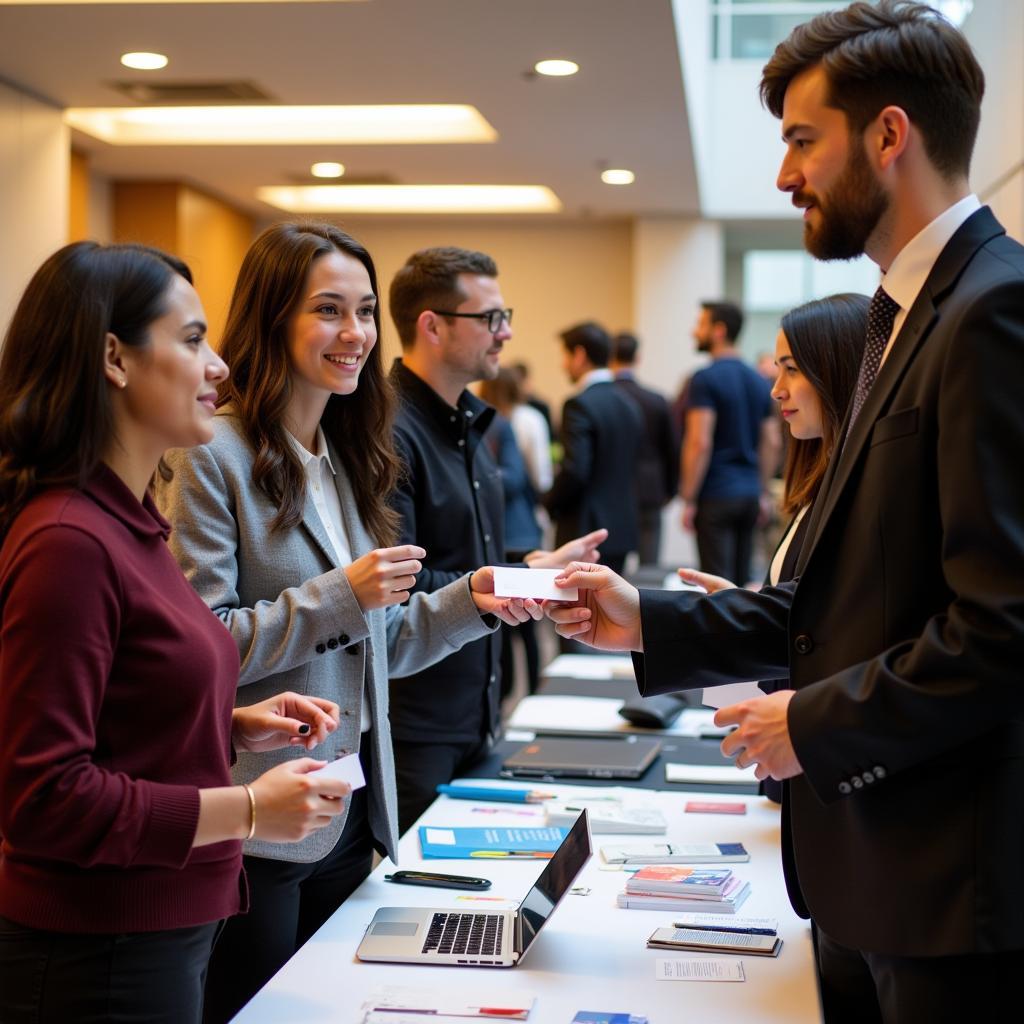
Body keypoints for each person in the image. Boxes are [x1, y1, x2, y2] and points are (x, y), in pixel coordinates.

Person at [548, 3, 1024, 1020]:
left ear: (888, 135)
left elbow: (1002, 628)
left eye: (802, 141)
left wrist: (811, 719)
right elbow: (848, 597)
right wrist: (648, 617)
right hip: (876, 871)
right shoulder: (901, 320)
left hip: (949, 886)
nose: (783, 174)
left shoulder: (992, 313)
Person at [157, 225, 539, 1023]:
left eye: (364, 311)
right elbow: (204, 648)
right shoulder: (213, 456)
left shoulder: (345, 457)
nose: (356, 334)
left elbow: (380, 647)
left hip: (350, 814)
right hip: (256, 825)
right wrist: (340, 596)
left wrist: (477, 598)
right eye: (329, 310)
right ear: (272, 319)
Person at [0, 241, 352, 1024]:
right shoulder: (71, 541)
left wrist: (222, 721)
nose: (220, 366)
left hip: (153, 928)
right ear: (115, 360)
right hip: (100, 952)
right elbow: (46, 797)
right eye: (193, 341)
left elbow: (112, 710)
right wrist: (249, 809)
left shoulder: (128, 522)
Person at [386, 247, 606, 833]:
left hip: (475, 708)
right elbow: (395, 585)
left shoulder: (472, 424)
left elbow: (465, 562)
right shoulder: (389, 432)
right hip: (416, 718)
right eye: (489, 318)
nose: (505, 332)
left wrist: (533, 566)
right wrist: (518, 579)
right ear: (431, 325)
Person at [679, 292, 869, 801]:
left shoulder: (860, 495)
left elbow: (830, 631)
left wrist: (690, 496)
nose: (776, 389)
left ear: (839, 370)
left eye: (792, 370)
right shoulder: (819, 484)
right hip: (794, 764)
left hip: (815, 766)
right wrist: (745, 607)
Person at [681, 300, 781, 584]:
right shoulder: (759, 380)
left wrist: (688, 498)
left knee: (715, 584)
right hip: (749, 494)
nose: (694, 332)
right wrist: (761, 491)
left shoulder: (704, 379)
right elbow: (771, 441)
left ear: (719, 330)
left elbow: (699, 441)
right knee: (739, 582)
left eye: (701, 325)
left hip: (715, 494)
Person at [543, 321, 644, 576]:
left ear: (579, 355)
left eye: (565, 356)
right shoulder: (629, 404)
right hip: (622, 527)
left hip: (585, 530)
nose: (562, 365)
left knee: (575, 612)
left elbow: (576, 469)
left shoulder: (579, 404)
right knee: (613, 613)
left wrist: (548, 501)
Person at [479, 369, 547, 698]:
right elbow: (537, 476)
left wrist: (473, 481)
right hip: (511, 535)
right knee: (515, 627)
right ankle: (522, 695)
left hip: (512, 536)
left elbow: (516, 479)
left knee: (516, 627)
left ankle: (520, 695)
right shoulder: (496, 422)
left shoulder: (496, 425)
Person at [610, 331, 679, 566]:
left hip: (612, 492)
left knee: (609, 569)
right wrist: (670, 489)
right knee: (649, 568)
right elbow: (671, 449)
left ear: (610, 357)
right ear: (637, 357)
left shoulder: (604, 400)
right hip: (650, 490)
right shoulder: (656, 400)